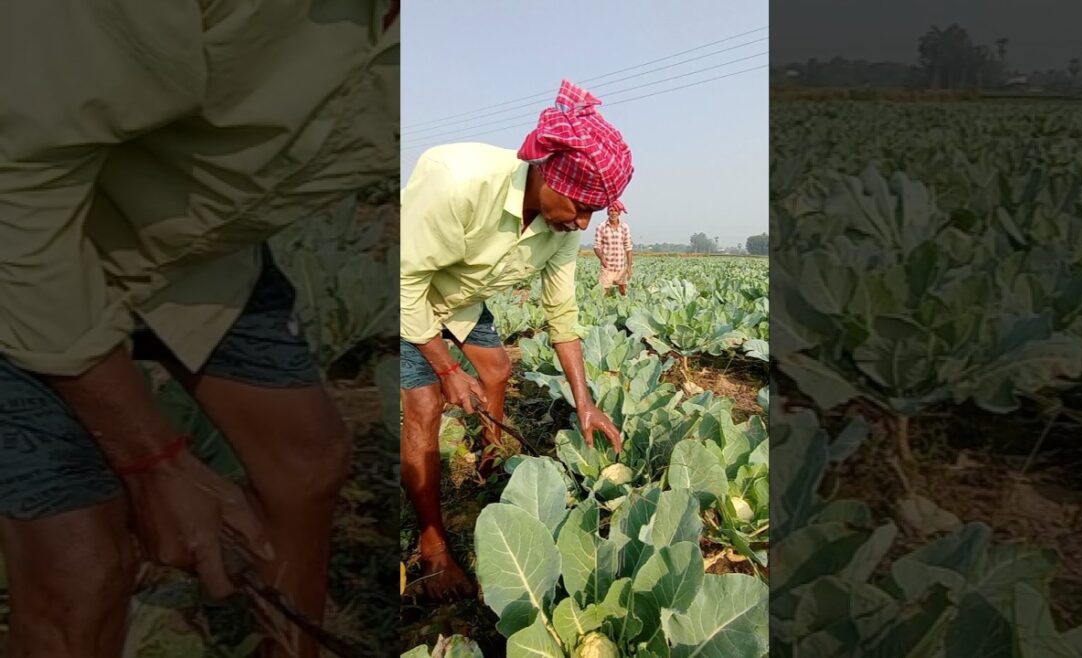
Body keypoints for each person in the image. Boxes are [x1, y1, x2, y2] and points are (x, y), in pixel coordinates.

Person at [0, 3, 398, 657]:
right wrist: (153, 460)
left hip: (189, 244)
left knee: (308, 461)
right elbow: (16, 184)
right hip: (28, 241)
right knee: (82, 563)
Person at [400, 79, 631, 601]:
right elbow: (403, 281)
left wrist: (586, 403)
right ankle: (433, 544)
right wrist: (445, 369)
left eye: (594, 212)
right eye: (579, 205)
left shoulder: (563, 228)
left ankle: (489, 451)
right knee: (424, 407)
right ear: (547, 172)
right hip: (407, 293)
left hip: (461, 298)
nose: (582, 222)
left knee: (499, 371)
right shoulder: (456, 181)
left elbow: (561, 313)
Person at [593, 201, 634, 296]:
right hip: (607, 266)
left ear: (619, 213)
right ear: (608, 212)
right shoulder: (601, 227)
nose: (613, 213)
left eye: (616, 211)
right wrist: (602, 258)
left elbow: (628, 248)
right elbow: (596, 246)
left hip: (621, 266)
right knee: (604, 292)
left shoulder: (624, 227)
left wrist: (629, 267)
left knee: (623, 291)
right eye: (611, 210)